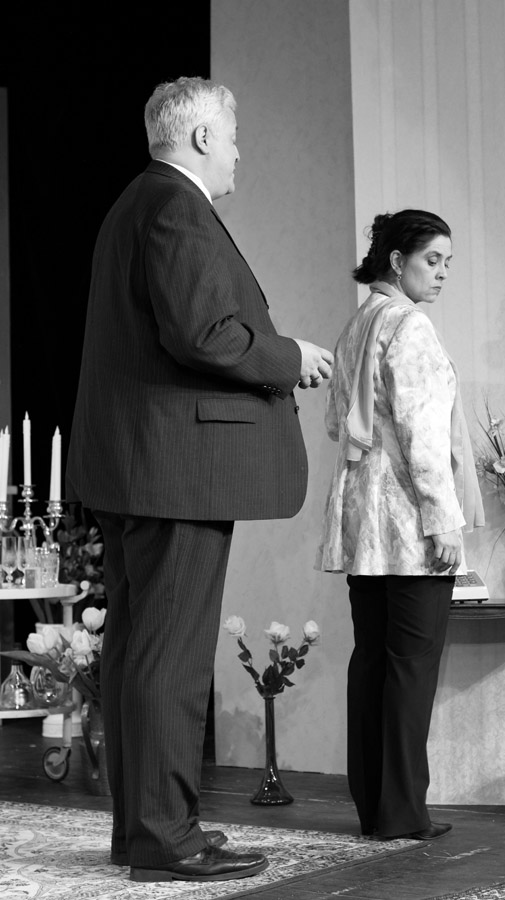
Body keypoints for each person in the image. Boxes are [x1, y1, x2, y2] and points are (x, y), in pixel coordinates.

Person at [66, 75, 333, 884]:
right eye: (235, 136)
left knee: (139, 653)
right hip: (175, 471)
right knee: (169, 660)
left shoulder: (137, 203)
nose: (240, 152)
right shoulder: (176, 207)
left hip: (141, 468)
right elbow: (206, 334)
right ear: (204, 138)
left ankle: (145, 831)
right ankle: (165, 838)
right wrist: (290, 356)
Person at [315, 209, 484, 841]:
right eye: (431, 260)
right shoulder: (409, 324)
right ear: (396, 260)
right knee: (411, 666)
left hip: (362, 517)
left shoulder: (358, 323)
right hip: (408, 520)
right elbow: (423, 434)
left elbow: (335, 422)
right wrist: (444, 521)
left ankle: (375, 807)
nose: (441, 274)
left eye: (447, 263)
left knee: (372, 662)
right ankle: (404, 812)